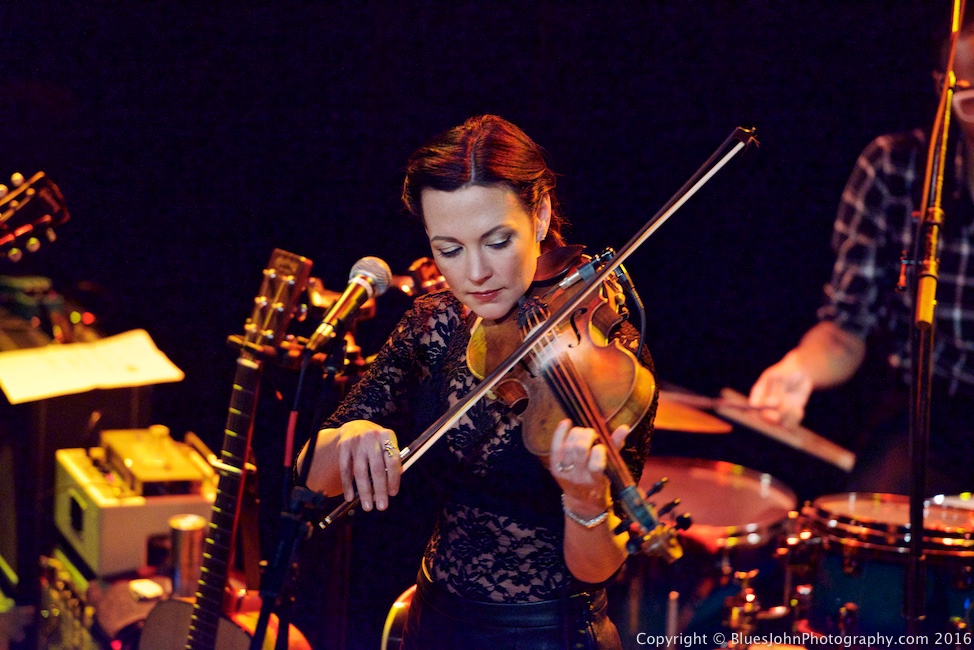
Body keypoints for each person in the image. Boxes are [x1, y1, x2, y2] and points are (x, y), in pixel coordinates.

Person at [296, 114, 658, 649]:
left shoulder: (611, 356)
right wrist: (348, 439)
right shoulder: (433, 324)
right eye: (450, 249)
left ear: (540, 215)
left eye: (496, 241)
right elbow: (311, 475)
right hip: (431, 621)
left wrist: (584, 502)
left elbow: (599, 569)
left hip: (549, 633)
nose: (476, 274)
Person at [747, 28, 974, 496]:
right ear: (943, 90)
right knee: (866, 547)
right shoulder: (894, 168)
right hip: (928, 419)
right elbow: (844, 331)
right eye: (971, 100)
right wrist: (800, 369)